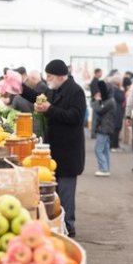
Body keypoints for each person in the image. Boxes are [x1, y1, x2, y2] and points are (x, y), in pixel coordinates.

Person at [20, 59, 86, 238]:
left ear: (59, 76)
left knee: (65, 191)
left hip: (69, 150)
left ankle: (68, 226)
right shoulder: (53, 89)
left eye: (49, 75)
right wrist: (21, 89)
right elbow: (39, 98)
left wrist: (49, 110)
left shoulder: (76, 92)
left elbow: (75, 117)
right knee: (53, 192)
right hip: (54, 148)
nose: (46, 78)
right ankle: (55, 224)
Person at [92, 80, 116, 176]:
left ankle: (104, 169)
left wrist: (97, 101)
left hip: (104, 128)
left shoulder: (109, 102)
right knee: (104, 149)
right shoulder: (110, 100)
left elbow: (98, 110)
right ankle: (106, 168)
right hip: (106, 127)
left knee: (98, 149)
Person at [108, 74, 126, 152]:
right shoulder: (115, 89)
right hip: (116, 111)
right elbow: (121, 98)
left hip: (114, 111)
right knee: (116, 128)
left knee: (116, 128)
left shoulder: (110, 87)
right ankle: (113, 145)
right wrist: (122, 90)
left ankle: (115, 145)